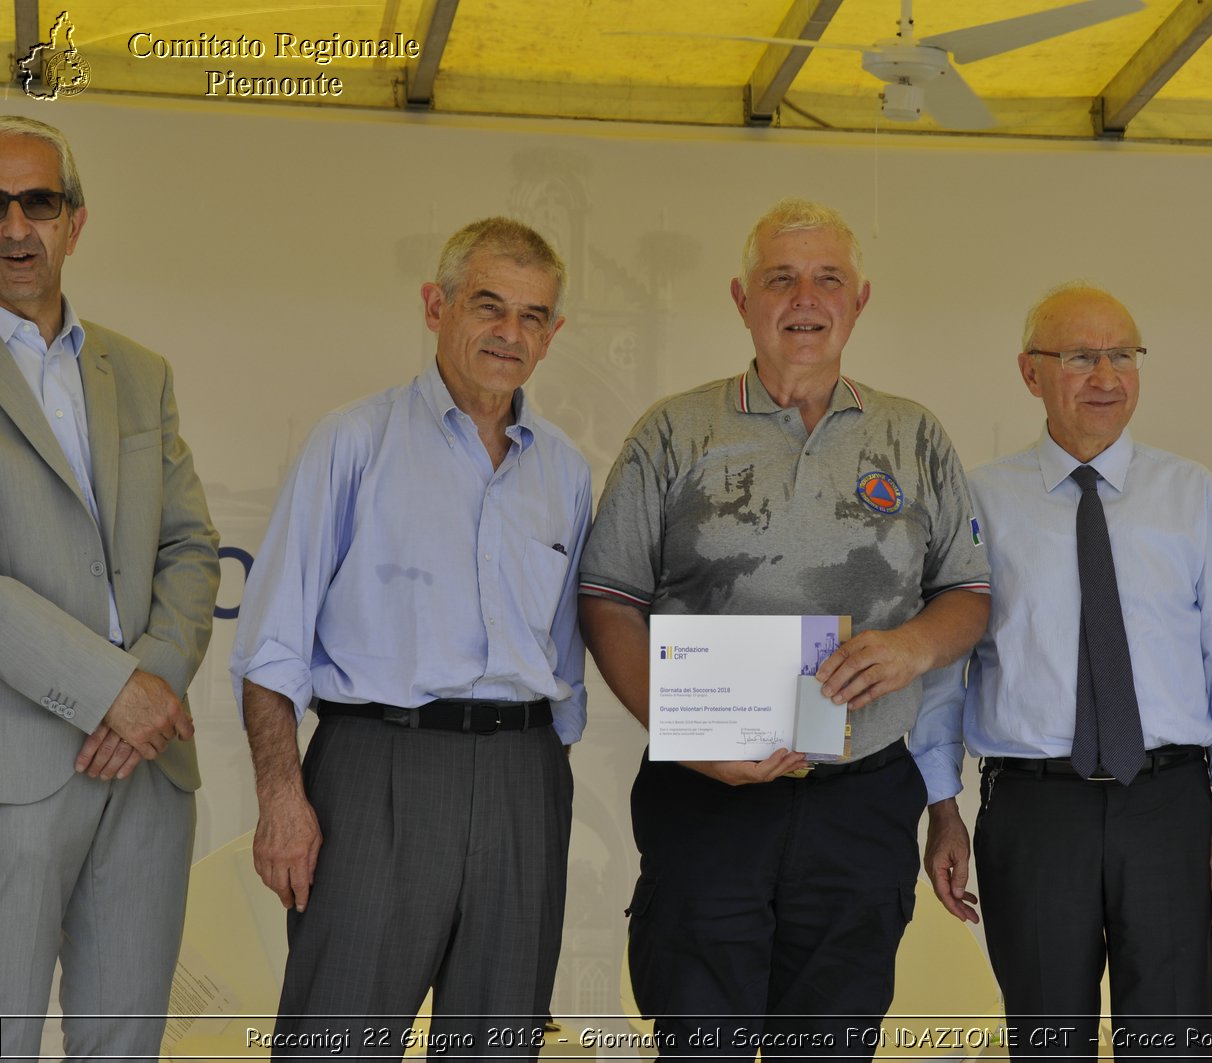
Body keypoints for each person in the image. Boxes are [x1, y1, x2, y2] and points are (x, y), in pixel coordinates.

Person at [577, 198, 990, 1059]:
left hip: (862, 797)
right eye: (781, 278)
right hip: (707, 801)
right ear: (742, 299)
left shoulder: (913, 436)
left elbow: (969, 591)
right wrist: (683, 733)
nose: (805, 297)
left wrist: (913, 645)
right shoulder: (673, 431)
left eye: (827, 278)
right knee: (701, 1039)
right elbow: (609, 599)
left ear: (860, 300)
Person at [230, 217, 589, 1058]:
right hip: (376, 772)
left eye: (533, 316)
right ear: (437, 306)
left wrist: (538, 786)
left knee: (497, 1046)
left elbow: (566, 651)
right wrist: (283, 799)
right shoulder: (354, 441)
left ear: (553, 335)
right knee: (338, 1040)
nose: (510, 334)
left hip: (522, 780)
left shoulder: (566, 471)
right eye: (488, 305)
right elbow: (271, 643)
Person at [911, 283, 1212, 1058]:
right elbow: (946, 669)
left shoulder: (1192, 495)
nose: (1106, 375)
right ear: (1029, 371)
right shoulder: (981, 500)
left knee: (1171, 1040)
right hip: (1035, 813)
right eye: (1080, 356)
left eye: (1123, 355)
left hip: (1167, 806)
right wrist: (942, 805)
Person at [0, 116, 221, 1060]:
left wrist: (154, 684)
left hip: (146, 771)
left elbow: (191, 546)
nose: (15, 228)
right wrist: (112, 691)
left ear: (75, 222)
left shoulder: (139, 372)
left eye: (37, 203)